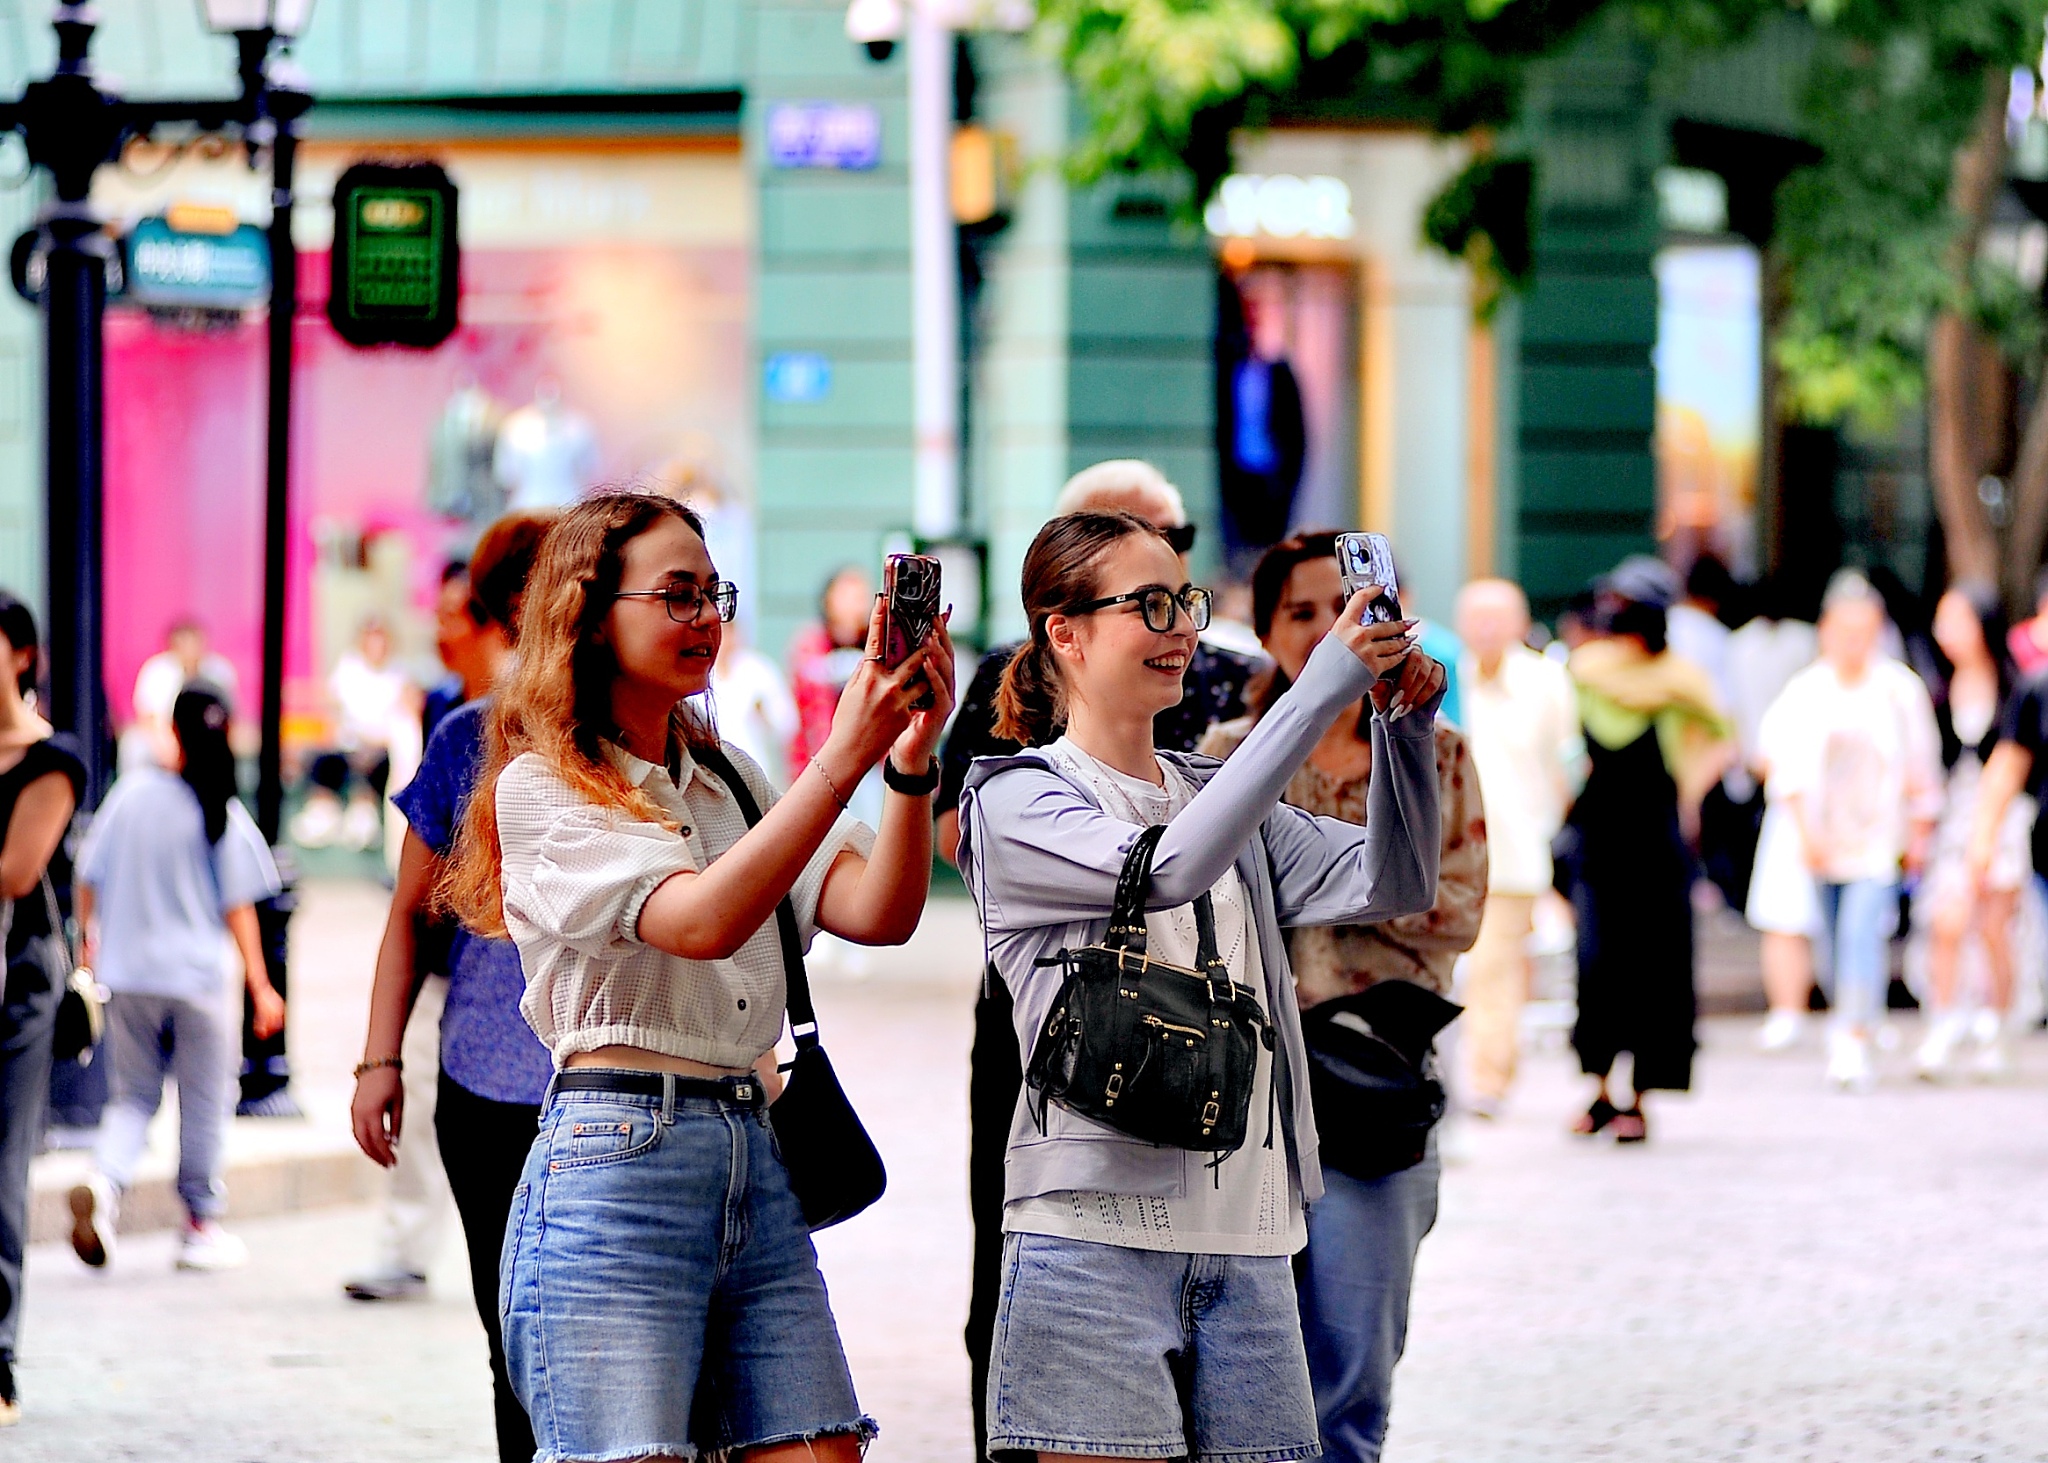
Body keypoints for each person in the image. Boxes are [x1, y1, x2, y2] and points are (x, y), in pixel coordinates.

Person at [442, 491, 956, 1463]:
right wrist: (839, 761)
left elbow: (879, 911)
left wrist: (908, 761)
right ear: (590, 614)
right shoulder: (543, 783)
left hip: (752, 1155)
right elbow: (700, 918)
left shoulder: (735, 778)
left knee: (821, 1449)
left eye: (711, 592)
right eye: (674, 595)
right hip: (612, 1169)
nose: (704, 617)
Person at [956, 510, 1444, 1463]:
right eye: (1149, 604)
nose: (1181, 626)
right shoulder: (1013, 797)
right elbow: (1165, 869)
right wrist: (1317, 689)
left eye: (1186, 599)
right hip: (1089, 1240)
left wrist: (1404, 729)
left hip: (1252, 1234)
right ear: (1066, 631)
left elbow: (1397, 881)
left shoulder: (1213, 789)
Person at [933, 459, 1256, 1463]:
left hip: (1207, 996)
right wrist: (1073, 849)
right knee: (1034, 1231)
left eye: (1175, 545)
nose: (1167, 602)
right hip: (1058, 1007)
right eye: (1128, 552)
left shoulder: (1231, 670)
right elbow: (960, 824)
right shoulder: (1008, 674)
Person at [1199, 532, 1483, 1463]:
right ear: (1269, 632)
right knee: (1240, 1370)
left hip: (1371, 1084)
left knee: (1354, 1374)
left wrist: (1305, 908)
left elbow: (1452, 909)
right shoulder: (1229, 755)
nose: (1334, 626)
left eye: (1348, 603)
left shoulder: (1433, 749)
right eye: (1304, 612)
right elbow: (1204, 909)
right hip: (1246, 1098)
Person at [350, 511, 555, 1460]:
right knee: (512, 1342)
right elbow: (408, 914)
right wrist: (377, 1060)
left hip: (625, 1086)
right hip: (488, 1086)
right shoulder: (469, 737)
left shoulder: (659, 735)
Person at [67, 686, 284, 1275]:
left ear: (172, 728)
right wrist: (261, 986)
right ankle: (198, 1225)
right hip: (199, 983)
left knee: (132, 1098)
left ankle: (104, 1183)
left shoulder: (131, 793)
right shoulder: (220, 807)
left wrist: (88, 938)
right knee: (206, 1102)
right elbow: (239, 907)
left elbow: (88, 871)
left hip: (130, 975)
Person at [1558, 560, 1730, 1141]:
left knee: (1654, 966)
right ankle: (1601, 1088)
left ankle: (1639, 1096)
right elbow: (1563, 740)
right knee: (1596, 961)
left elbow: (1722, 738)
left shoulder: (1681, 679)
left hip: (1658, 843)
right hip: (1599, 839)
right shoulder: (1586, 670)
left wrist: (1690, 791)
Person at [1756, 571, 1940, 1091]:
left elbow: (1921, 767)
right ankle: (1850, 1015)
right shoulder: (1808, 689)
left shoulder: (1897, 688)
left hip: (1878, 837)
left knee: (1863, 931)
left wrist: (1919, 833)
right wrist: (1805, 833)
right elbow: (1782, 763)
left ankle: (1854, 1033)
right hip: (1821, 838)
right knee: (1833, 940)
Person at [0, 594, 85, 1427]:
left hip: (16, 982)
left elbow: (15, 873)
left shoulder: (52, 759)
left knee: (0, 1160)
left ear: (22, 656)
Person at [1454, 577, 1582, 1117]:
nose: (1486, 627)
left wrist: (1551, 827)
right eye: (1476, 615)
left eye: (1497, 615)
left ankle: (1488, 1076)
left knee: (1494, 967)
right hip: (1447, 853)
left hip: (1515, 850)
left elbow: (1569, 762)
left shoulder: (1545, 679)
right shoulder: (1444, 675)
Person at [1911, 587, 2028, 1078]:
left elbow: (2018, 762)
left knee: (1993, 928)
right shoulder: (1936, 690)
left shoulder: (2015, 688)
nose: (1947, 632)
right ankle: (1944, 1021)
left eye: (1956, 620)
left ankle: (1997, 1026)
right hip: (1954, 818)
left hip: (2005, 816)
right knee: (1947, 921)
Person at [294, 618, 420, 851]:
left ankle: (363, 813)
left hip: (379, 750)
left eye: (380, 639)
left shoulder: (399, 675)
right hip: (346, 744)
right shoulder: (348, 668)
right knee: (320, 756)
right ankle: (323, 811)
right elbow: (331, 706)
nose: (376, 645)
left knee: (369, 762)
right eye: (371, 639)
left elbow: (406, 719)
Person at [124, 619, 239, 772]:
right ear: (172, 646)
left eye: (195, 643)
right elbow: (147, 719)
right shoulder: (156, 670)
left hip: (208, 742)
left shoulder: (219, 670)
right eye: (184, 644)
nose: (191, 649)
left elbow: (230, 719)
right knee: (134, 745)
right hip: (165, 743)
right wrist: (169, 750)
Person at [711, 623, 800, 788]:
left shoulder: (758, 669)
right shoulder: (697, 675)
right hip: (713, 775)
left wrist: (764, 714)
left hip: (757, 771)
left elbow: (788, 723)